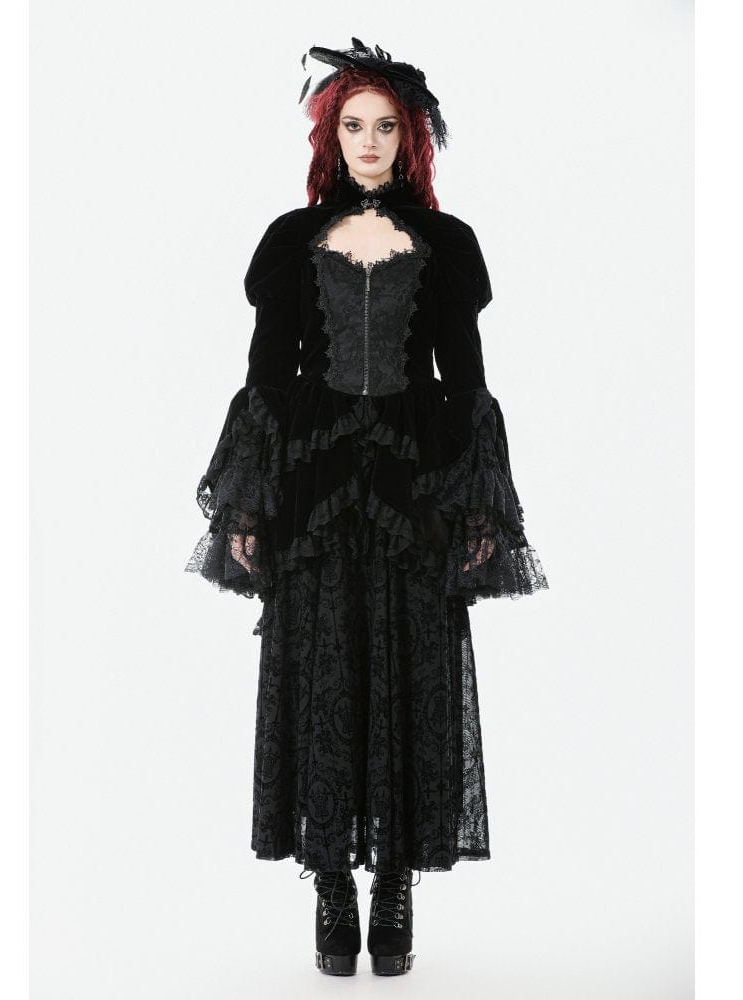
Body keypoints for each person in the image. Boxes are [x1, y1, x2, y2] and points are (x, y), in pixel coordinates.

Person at [184, 37, 549, 976]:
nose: (370, 141)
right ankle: (331, 886)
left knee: (412, 662)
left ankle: (393, 882)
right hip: (313, 484)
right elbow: (267, 378)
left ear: (410, 137)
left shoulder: (447, 246)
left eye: (386, 126)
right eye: (354, 125)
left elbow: (466, 381)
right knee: (321, 668)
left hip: (413, 478)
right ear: (331, 135)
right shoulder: (291, 242)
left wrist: (477, 509)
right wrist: (248, 506)